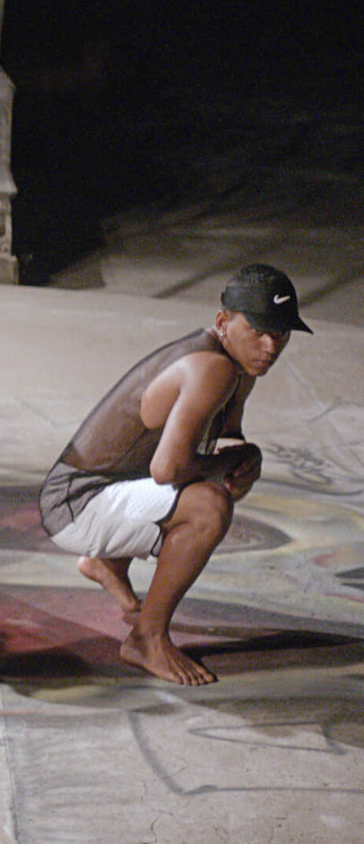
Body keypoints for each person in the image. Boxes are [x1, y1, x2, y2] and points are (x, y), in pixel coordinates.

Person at [39, 263, 311, 686]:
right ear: (223, 322)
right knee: (209, 507)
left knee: (214, 487)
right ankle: (146, 639)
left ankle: (107, 562)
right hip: (74, 502)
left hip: (101, 491)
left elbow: (223, 440)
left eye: (280, 333)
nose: (270, 345)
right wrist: (225, 469)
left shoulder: (238, 369)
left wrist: (243, 460)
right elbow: (167, 469)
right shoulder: (212, 368)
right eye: (258, 330)